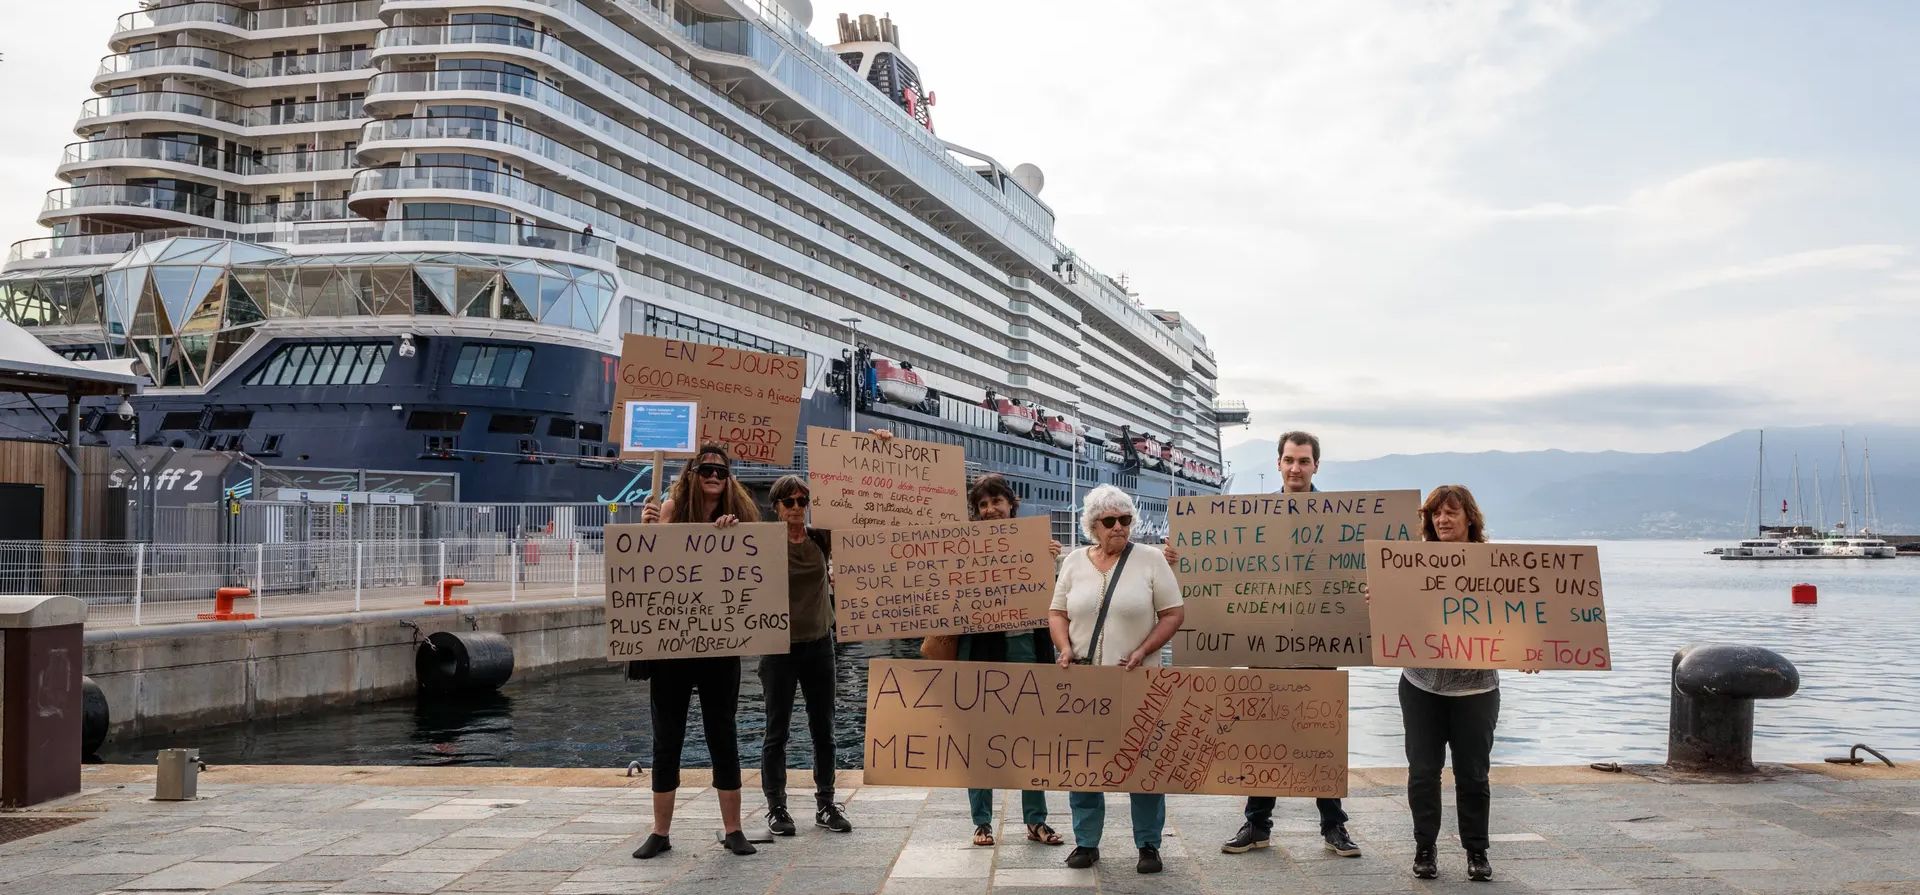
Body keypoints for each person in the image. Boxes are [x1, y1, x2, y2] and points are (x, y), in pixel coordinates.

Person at [1223, 430, 1362, 858]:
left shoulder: (1340, 518)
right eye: (1289, 460)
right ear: (1279, 463)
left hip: (1321, 642)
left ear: (1316, 465)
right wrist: (1180, 558)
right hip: (1264, 640)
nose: (1296, 468)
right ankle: (1257, 824)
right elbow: (1223, 571)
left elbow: (1359, 570)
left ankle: (1333, 826)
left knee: (1322, 732)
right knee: (1262, 731)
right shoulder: (1250, 518)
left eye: (1304, 461)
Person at [631, 445, 759, 860]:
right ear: (692, 473)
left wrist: (732, 534)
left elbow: (756, 560)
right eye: (706, 469)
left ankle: (734, 829)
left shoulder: (739, 514)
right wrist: (647, 529)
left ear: (729, 478)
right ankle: (660, 831)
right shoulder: (670, 509)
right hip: (672, 645)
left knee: (723, 734)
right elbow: (648, 565)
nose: (713, 476)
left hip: (720, 645)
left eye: (721, 471)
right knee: (666, 738)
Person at [1049, 484, 1185, 874]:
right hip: (1083, 682)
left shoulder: (1150, 560)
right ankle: (1086, 843)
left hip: (1138, 681)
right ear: (1093, 525)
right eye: (1110, 521)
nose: (1119, 527)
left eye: (1125, 520)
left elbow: (1174, 614)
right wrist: (1063, 647)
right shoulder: (1074, 562)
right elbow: (1057, 613)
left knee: (1144, 765)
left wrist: (1143, 650)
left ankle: (1148, 845)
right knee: (1084, 763)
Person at [1400, 484, 1531, 883]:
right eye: (1435, 514)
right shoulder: (1408, 564)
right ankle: (1425, 847)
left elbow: (1521, 617)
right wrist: (1380, 600)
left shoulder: (1494, 565)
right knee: (1423, 772)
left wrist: (1531, 651)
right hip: (1420, 684)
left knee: (1473, 774)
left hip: (1476, 690)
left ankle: (1477, 851)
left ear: (1469, 518)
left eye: (1451, 513)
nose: (1442, 520)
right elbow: (1396, 612)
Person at [947, 474, 1065, 848]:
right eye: (982, 505)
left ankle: (1036, 821)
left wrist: (1051, 561)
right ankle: (981, 822)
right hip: (981, 653)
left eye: (996, 501)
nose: (990, 510)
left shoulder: (1036, 546)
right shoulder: (963, 547)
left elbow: (1057, 601)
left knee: (1031, 741)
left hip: (1030, 652)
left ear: (1011, 504)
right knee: (980, 739)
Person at [758, 474, 853, 836]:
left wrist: (878, 446)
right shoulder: (761, 544)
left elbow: (862, 521)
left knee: (824, 729)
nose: (797, 507)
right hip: (777, 648)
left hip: (819, 644)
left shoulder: (820, 538)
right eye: (790, 502)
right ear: (777, 508)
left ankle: (826, 803)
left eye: (802, 501)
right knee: (776, 732)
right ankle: (776, 808)